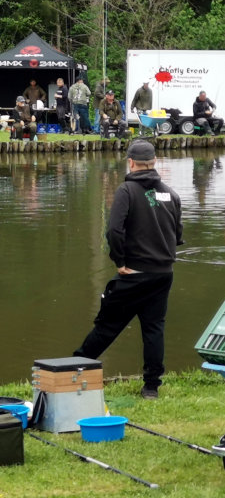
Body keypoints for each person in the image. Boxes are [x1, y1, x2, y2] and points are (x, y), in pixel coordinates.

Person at [73, 140, 183, 400]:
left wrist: (120, 261)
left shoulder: (126, 191)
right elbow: (177, 235)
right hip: (163, 273)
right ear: (154, 162)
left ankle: (72, 368)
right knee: (154, 329)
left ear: (131, 162)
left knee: (107, 326)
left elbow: (113, 231)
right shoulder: (171, 193)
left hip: (134, 272)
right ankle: (151, 387)